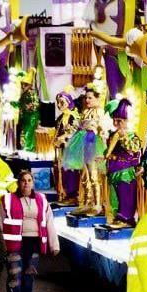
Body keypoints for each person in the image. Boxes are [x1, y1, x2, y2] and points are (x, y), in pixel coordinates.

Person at [0, 170, 59, 292]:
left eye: (29, 180)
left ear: (33, 183)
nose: (26, 183)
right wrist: (0, 245)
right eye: (23, 180)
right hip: (14, 244)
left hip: (33, 244)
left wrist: (54, 244)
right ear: (18, 183)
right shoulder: (7, 199)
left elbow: (49, 222)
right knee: (14, 275)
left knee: (29, 275)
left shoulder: (41, 200)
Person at [63, 84, 109, 216]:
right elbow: (79, 127)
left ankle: (97, 205)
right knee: (84, 176)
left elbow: (102, 130)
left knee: (94, 176)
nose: (87, 100)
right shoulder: (85, 112)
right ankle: (87, 202)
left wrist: (97, 129)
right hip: (83, 143)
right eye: (86, 98)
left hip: (93, 144)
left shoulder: (99, 112)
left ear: (97, 98)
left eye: (90, 98)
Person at [105, 98, 143, 227]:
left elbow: (134, 150)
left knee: (126, 194)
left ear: (126, 121)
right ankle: (116, 217)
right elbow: (108, 152)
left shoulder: (132, 136)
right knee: (114, 197)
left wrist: (124, 137)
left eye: (119, 121)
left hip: (125, 172)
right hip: (113, 171)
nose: (116, 123)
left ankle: (126, 218)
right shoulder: (112, 135)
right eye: (115, 120)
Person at [52, 89, 79, 204]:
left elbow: (75, 132)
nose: (59, 105)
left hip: (72, 150)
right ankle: (65, 193)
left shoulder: (74, 117)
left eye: (62, 102)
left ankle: (72, 195)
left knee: (71, 172)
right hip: (63, 150)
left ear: (69, 102)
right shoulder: (60, 118)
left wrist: (63, 138)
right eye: (58, 102)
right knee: (63, 171)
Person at [15, 71, 40, 153]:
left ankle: (29, 149)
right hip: (25, 118)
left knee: (29, 134)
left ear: (30, 85)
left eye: (25, 84)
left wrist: (21, 106)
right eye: (22, 84)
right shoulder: (24, 93)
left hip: (31, 118)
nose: (23, 86)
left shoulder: (32, 93)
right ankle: (26, 148)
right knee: (25, 134)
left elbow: (35, 106)